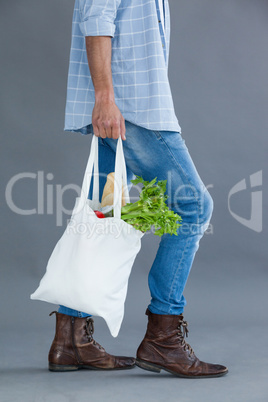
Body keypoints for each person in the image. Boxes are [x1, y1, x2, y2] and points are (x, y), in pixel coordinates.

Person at [48, 0, 228, 378]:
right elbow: (96, 19)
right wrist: (104, 98)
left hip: (125, 107)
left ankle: (71, 341)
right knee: (193, 207)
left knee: (102, 214)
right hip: (132, 110)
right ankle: (163, 339)